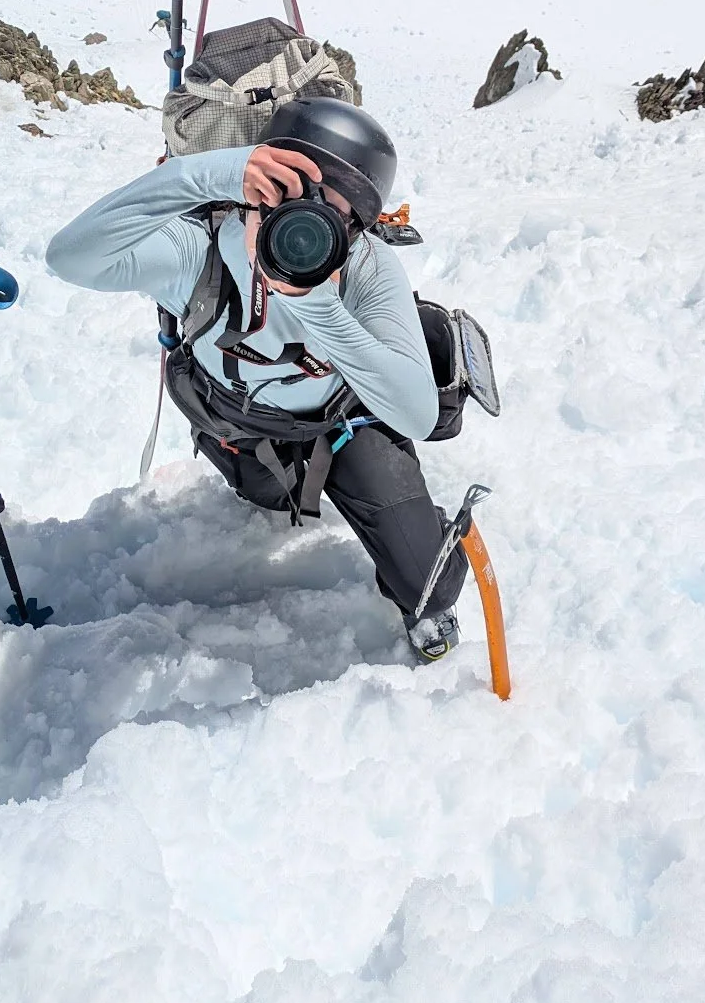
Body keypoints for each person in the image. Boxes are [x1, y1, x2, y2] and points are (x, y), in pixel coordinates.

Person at [45, 97, 468, 660]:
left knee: (426, 580)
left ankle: (416, 538)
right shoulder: (197, 253)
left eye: (333, 217)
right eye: (290, 197)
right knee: (266, 495)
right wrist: (207, 173)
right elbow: (70, 257)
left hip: (345, 423)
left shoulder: (366, 269)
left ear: (358, 229)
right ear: (256, 187)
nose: (304, 229)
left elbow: (415, 413)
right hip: (242, 429)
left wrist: (323, 308)